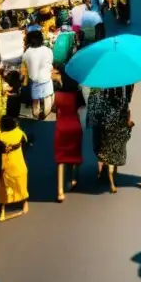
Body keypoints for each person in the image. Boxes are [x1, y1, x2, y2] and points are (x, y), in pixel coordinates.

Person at [91, 86, 133, 193]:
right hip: (118, 132)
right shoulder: (123, 102)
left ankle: (108, 176)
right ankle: (112, 178)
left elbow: (98, 117)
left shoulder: (103, 101)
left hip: (107, 131)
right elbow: (127, 115)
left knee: (107, 153)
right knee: (114, 155)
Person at [53, 73, 85, 202]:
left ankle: (60, 191)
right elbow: (82, 107)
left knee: (61, 159)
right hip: (74, 125)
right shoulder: (77, 94)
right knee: (74, 154)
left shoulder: (57, 95)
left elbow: (55, 109)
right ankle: (73, 179)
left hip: (61, 127)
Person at [0, 116, 29, 221]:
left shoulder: (0, 137)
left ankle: (3, 209)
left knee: (3, 187)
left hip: (6, 167)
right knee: (21, 184)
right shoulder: (20, 133)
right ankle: (25, 203)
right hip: (19, 164)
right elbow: (25, 145)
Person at [21, 31, 54, 120]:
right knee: (47, 97)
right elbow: (50, 62)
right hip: (46, 78)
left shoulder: (26, 54)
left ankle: (36, 115)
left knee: (35, 100)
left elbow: (25, 68)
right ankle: (45, 115)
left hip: (35, 81)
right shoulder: (48, 50)